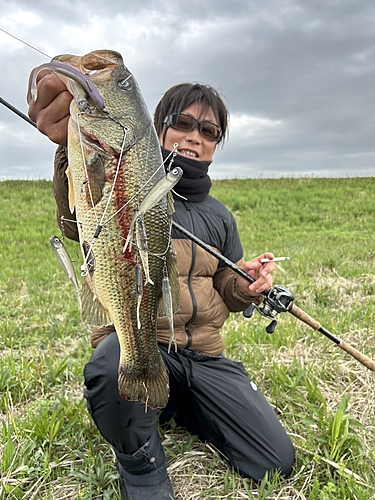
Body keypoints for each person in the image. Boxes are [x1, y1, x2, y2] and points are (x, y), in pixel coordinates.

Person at [27, 68, 295, 500]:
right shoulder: (125, 178)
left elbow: (225, 283)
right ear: (158, 128)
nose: (194, 136)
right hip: (145, 340)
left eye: (208, 130)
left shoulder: (220, 216)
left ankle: (183, 403)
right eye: (183, 123)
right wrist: (68, 151)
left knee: (274, 461)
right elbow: (78, 220)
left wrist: (245, 286)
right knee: (111, 360)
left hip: (203, 356)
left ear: (216, 143)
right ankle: (138, 460)